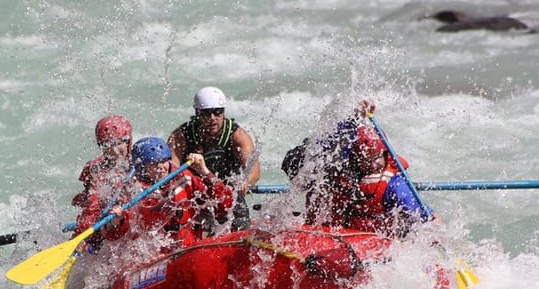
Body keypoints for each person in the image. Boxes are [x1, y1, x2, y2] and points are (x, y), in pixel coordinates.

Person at [282, 101, 433, 238]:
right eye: (367, 159)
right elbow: (332, 144)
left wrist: (431, 232)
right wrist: (353, 117)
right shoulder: (338, 165)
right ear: (355, 157)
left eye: (376, 158)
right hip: (333, 234)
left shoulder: (394, 185)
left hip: (374, 241)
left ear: (386, 153)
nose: (374, 165)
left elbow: (422, 218)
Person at [101, 137, 234, 248]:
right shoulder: (131, 190)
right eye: (153, 164)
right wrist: (116, 222)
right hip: (153, 255)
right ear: (142, 168)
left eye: (163, 161)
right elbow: (112, 236)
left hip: (188, 246)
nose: (160, 168)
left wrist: (204, 171)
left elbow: (225, 203)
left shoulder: (184, 177)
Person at [168, 86, 260, 232]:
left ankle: (241, 233)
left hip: (227, 192)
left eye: (217, 112)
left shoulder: (238, 136)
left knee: (238, 208)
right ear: (197, 113)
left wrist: (245, 182)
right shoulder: (181, 136)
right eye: (206, 113)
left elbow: (254, 172)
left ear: (223, 112)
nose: (212, 118)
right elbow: (171, 171)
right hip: (195, 194)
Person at [72, 115, 133, 252]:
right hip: (109, 226)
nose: (115, 150)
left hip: (133, 221)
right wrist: (82, 236)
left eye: (119, 143)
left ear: (128, 141)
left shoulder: (141, 161)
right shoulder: (96, 171)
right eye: (108, 145)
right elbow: (91, 209)